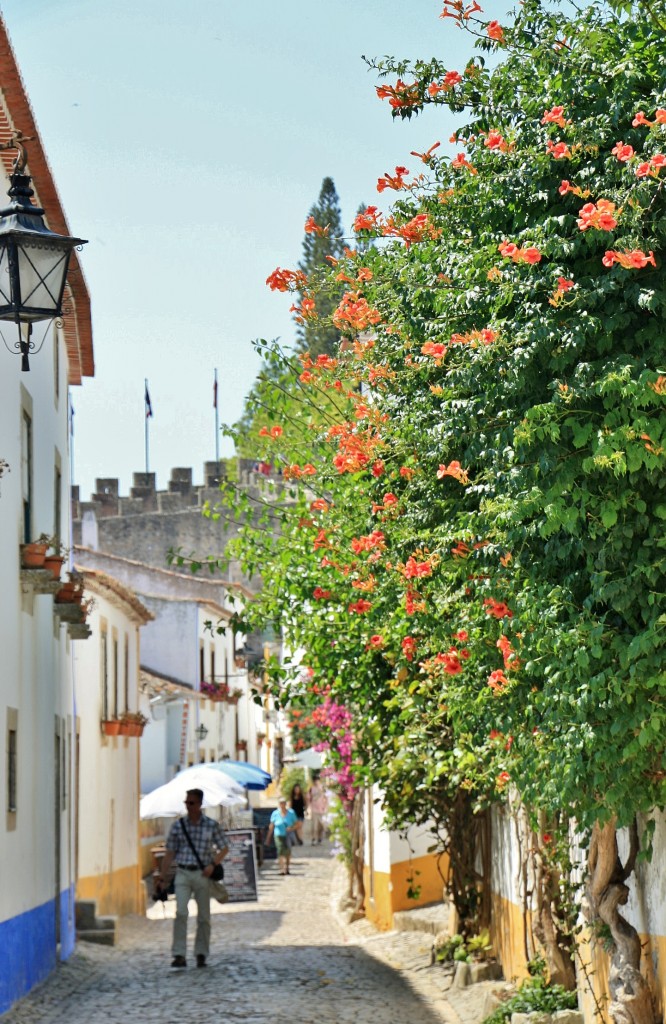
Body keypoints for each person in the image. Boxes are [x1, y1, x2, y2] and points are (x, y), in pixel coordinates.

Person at [157, 788, 229, 969]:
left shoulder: (210, 825)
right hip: (182, 873)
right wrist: (162, 877)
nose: (188, 806)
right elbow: (169, 853)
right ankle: (179, 954)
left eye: (191, 803)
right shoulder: (178, 826)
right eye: (186, 803)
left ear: (200, 804)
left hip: (202, 874)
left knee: (204, 917)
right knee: (181, 912)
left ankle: (201, 953)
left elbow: (224, 847)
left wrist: (212, 864)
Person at [264, 796, 298, 874]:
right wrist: (268, 837)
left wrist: (291, 828)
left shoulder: (291, 813)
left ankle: (287, 867)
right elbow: (272, 825)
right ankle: (281, 869)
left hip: (288, 835)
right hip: (278, 835)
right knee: (280, 851)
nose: (282, 805)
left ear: (285, 804)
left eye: (283, 803)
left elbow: (297, 824)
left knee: (288, 852)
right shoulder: (275, 813)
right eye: (280, 803)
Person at [308, 777, 328, 844]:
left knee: (321, 825)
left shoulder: (322, 788)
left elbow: (326, 798)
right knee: (314, 825)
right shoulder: (311, 789)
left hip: (322, 809)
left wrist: (326, 807)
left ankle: (320, 837)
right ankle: (313, 838)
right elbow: (308, 798)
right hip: (314, 809)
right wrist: (308, 809)